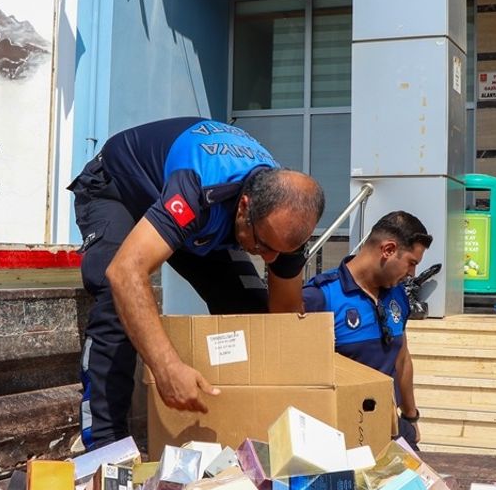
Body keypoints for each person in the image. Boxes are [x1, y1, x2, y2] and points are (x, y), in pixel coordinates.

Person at [70, 117, 325, 448]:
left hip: (199, 222)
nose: (269, 258)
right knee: (115, 298)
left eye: (281, 252)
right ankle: (104, 444)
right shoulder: (199, 188)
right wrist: (167, 368)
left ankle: (246, 429)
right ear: (244, 207)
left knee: (250, 312)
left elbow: (283, 319)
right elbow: (125, 271)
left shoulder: (283, 218)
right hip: (121, 190)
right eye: (263, 245)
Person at [301, 212, 432, 447]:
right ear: (388, 250)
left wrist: (411, 416)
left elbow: (402, 359)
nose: (412, 273)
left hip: (390, 429)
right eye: (411, 263)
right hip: (342, 436)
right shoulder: (321, 296)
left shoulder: (398, 295)